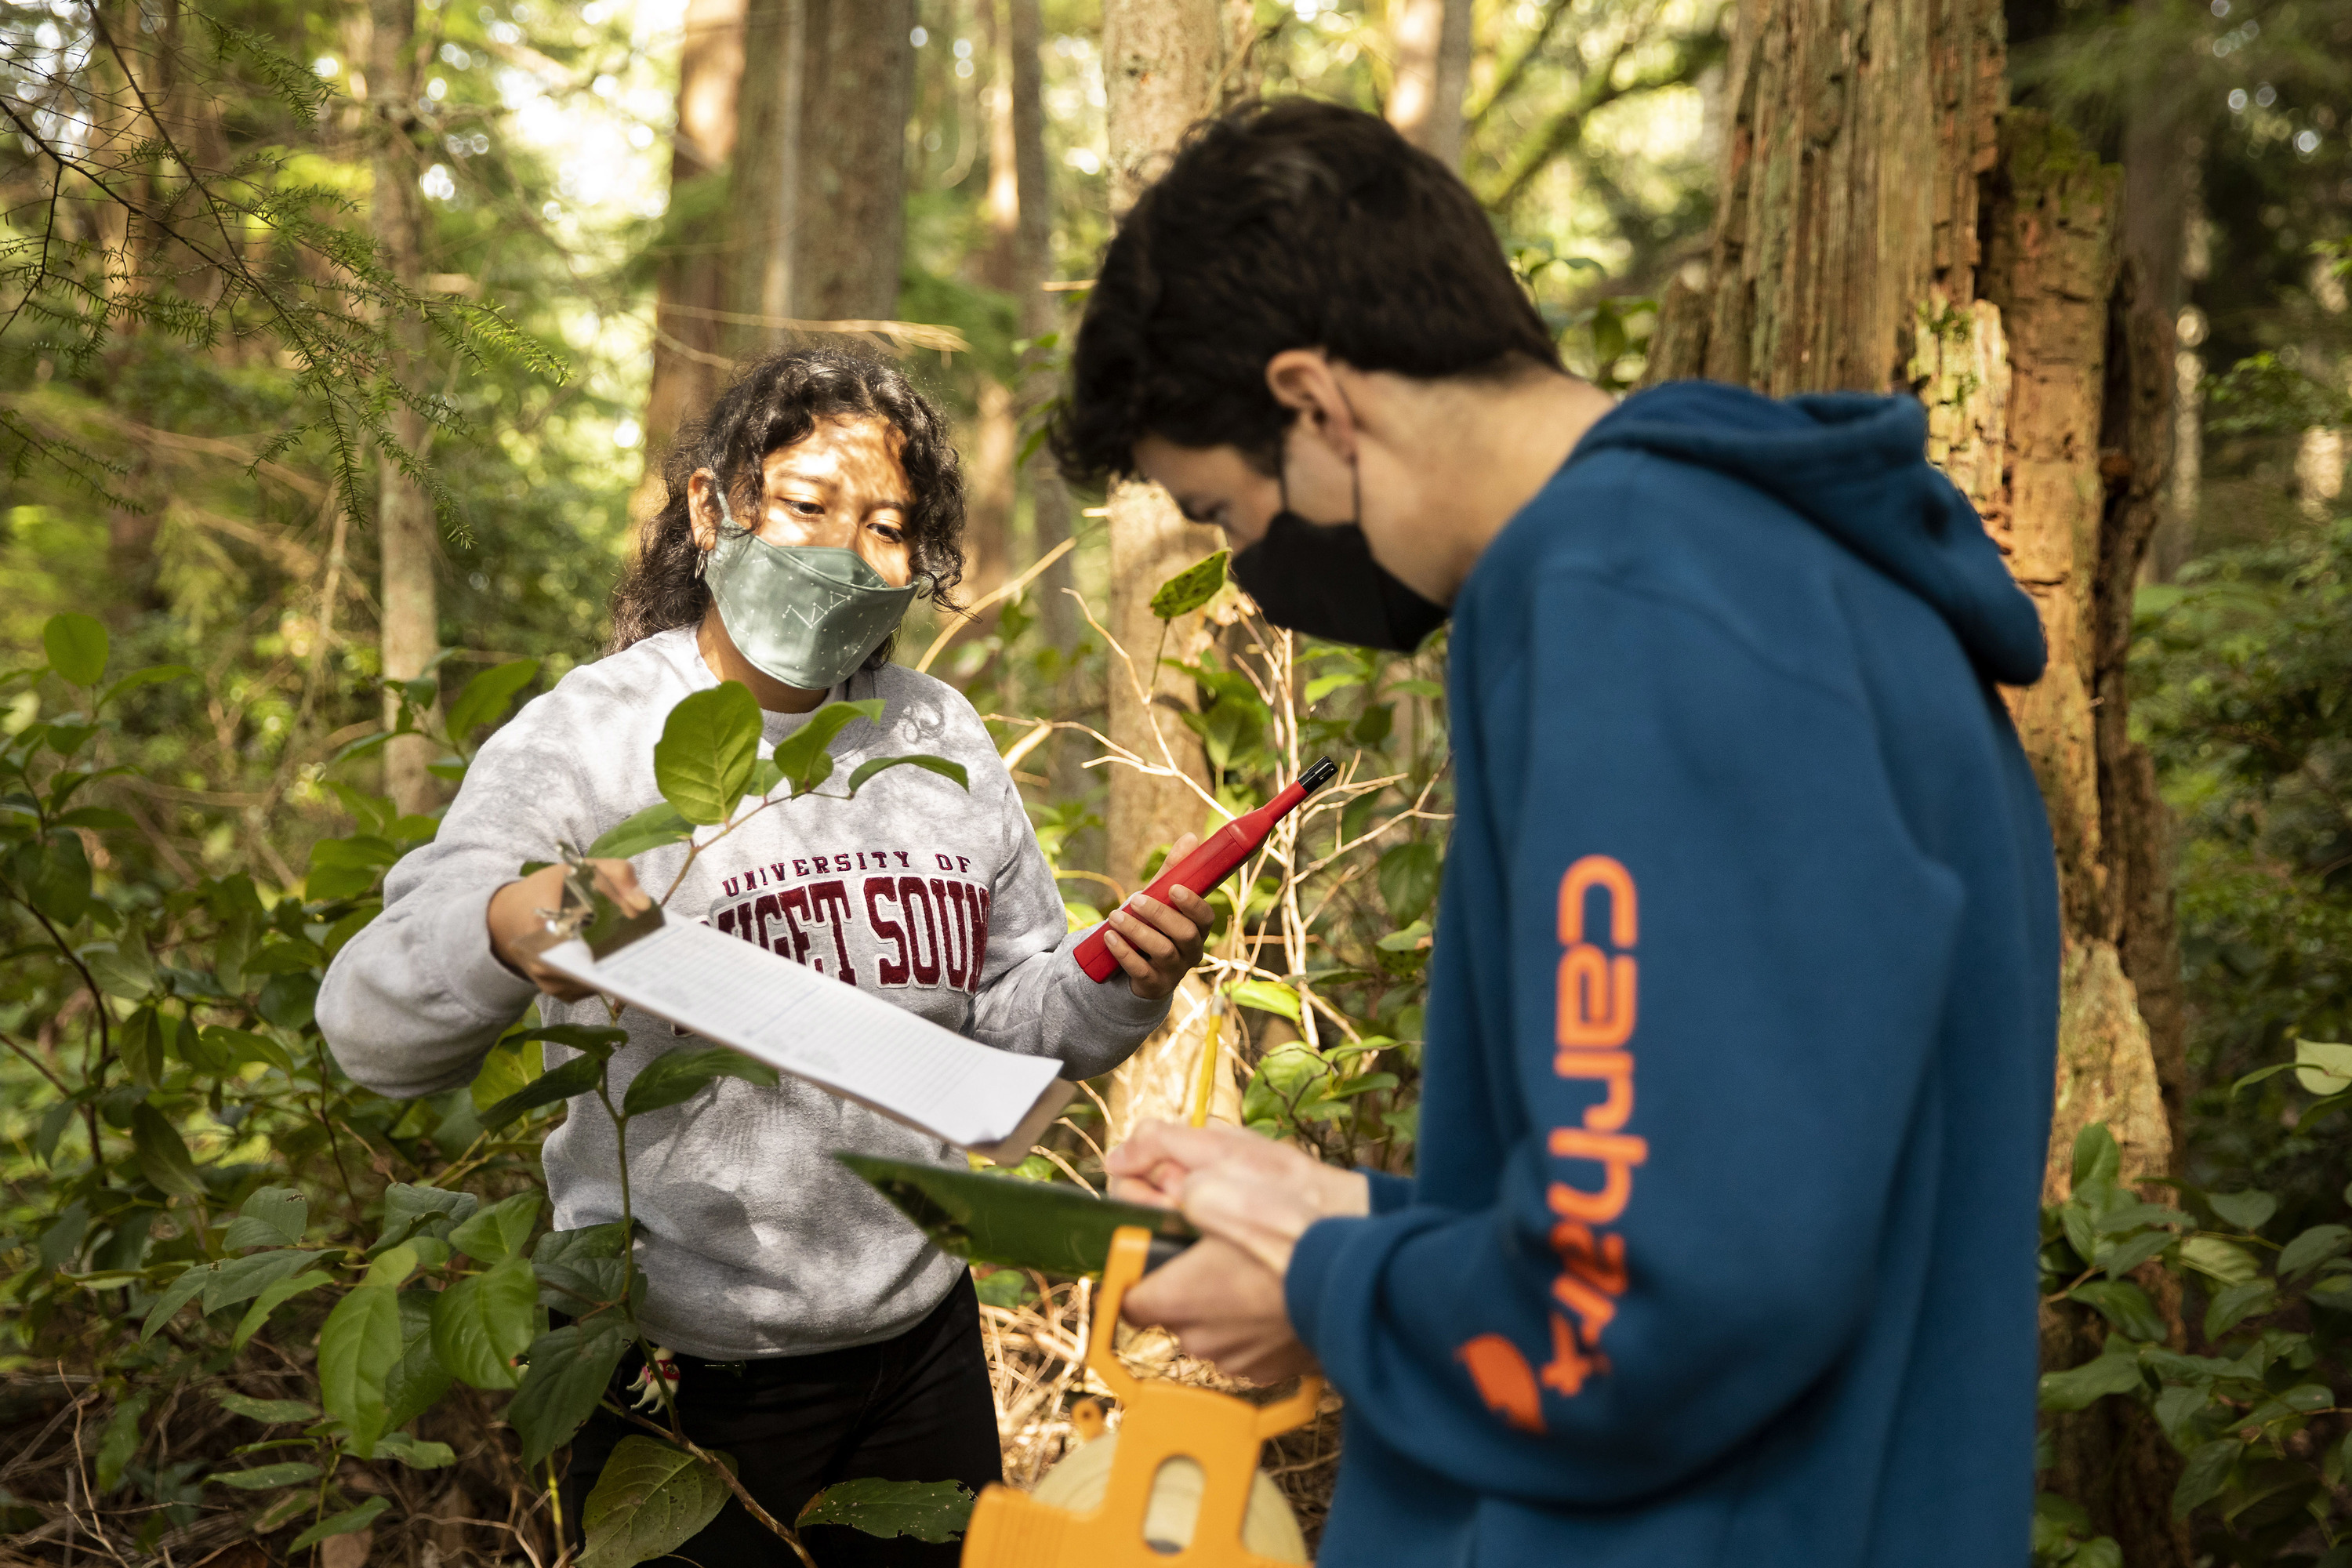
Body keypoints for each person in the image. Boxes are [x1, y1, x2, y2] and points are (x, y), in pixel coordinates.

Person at [1058, 101, 2060, 1566]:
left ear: (1318, 404)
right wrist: (1342, 1214)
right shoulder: (1782, 573)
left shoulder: (1632, 602)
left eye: (1223, 509)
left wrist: (1331, 1284)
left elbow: (1647, 1311)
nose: (1252, 573)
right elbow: (1757, 1181)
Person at [318, 348, 1213, 1565]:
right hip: (684, 1376)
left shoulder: (934, 733)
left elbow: (1008, 1019)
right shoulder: (591, 737)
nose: (848, 554)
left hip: (922, 1347)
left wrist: (1120, 983)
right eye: (808, 507)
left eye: (889, 526)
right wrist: (506, 924)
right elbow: (371, 1029)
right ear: (710, 510)